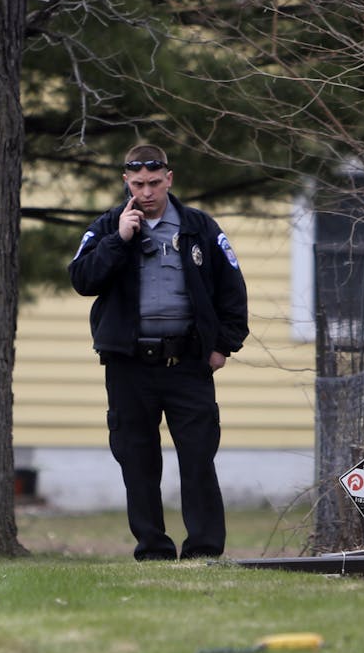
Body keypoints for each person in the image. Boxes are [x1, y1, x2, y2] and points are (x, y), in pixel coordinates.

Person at [68, 144, 249, 561]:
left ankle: (203, 548)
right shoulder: (109, 226)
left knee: (199, 457)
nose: (146, 192)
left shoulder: (199, 227)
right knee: (137, 460)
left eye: (153, 182)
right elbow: (82, 278)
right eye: (137, 184)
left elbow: (232, 291)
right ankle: (152, 548)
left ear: (169, 178)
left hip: (188, 363)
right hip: (129, 364)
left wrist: (223, 346)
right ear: (125, 182)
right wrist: (120, 238)